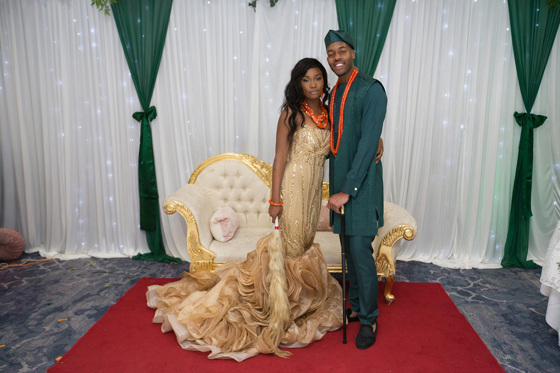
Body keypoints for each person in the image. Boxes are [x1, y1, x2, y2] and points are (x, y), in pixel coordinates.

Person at [146, 58, 343, 362]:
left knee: (303, 244)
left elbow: (340, 145)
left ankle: (297, 301)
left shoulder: (327, 114)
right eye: (307, 80)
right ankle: (280, 306)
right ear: (298, 83)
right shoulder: (291, 114)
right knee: (288, 248)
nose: (314, 85)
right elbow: (279, 159)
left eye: (318, 78)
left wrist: (376, 141)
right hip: (292, 187)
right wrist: (275, 200)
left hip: (314, 187)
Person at [324, 29, 387, 350]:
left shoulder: (371, 89)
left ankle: (369, 318)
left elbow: (366, 145)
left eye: (342, 51)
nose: (337, 58)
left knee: (361, 254)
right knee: (347, 250)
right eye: (331, 54)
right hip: (340, 186)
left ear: (353, 53)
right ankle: (357, 307)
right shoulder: (334, 92)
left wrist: (346, 190)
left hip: (358, 187)